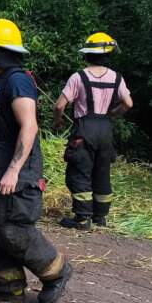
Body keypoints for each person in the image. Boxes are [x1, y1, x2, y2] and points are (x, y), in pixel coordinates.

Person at [0, 17, 72, 303]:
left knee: (13, 228)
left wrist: (14, 170)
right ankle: (9, 283)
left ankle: (56, 272)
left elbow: (29, 126)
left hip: (17, 171)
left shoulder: (17, 81)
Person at [52, 33, 133, 230]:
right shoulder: (117, 77)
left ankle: (82, 219)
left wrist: (57, 122)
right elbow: (128, 104)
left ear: (86, 55)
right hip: (105, 130)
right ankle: (100, 217)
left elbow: (59, 105)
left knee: (80, 172)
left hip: (84, 131)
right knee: (102, 172)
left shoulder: (78, 77)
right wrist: (111, 115)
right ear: (107, 56)